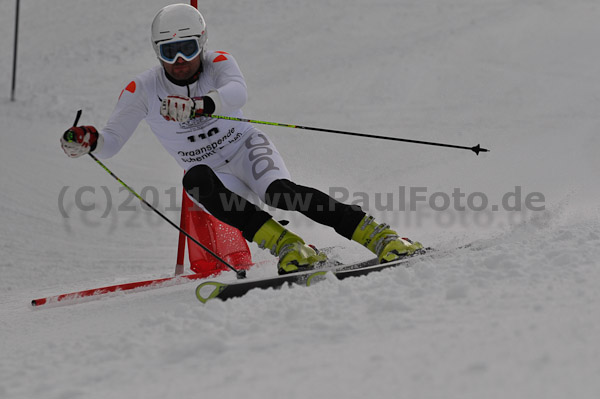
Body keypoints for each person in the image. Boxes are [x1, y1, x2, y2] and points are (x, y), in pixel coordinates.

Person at [60, 3, 423, 275]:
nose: (181, 60)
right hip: (213, 174)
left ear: (201, 42)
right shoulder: (142, 88)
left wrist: (199, 105)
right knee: (194, 181)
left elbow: (237, 93)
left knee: (280, 192)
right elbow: (111, 142)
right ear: (157, 53)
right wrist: (88, 141)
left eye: (188, 47)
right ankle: (289, 247)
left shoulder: (218, 62)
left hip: (245, 148)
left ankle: (380, 236)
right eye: (169, 53)